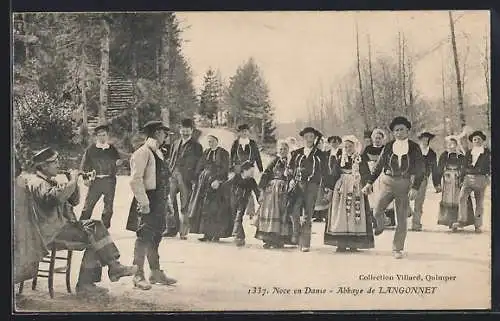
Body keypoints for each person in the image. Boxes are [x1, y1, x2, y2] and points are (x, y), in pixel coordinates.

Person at [23, 147, 137, 296]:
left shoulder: (48, 180)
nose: (58, 164)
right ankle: (92, 280)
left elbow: (74, 201)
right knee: (95, 233)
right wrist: (73, 180)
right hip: (50, 233)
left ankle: (104, 273)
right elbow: (54, 199)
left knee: (96, 233)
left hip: (57, 228)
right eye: (54, 162)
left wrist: (74, 183)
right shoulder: (38, 183)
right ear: (43, 166)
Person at [361, 116, 425, 259]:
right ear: (393, 132)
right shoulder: (389, 146)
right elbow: (378, 166)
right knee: (377, 209)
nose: (399, 132)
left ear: (407, 131)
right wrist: (369, 182)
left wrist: (415, 187)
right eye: (396, 130)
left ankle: (397, 248)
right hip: (387, 182)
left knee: (401, 219)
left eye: (402, 129)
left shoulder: (414, 147)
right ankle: (381, 224)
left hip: (404, 183)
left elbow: (421, 169)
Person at [126, 121, 177, 290]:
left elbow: (163, 180)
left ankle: (155, 272)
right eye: (164, 133)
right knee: (144, 237)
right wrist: (144, 202)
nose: (166, 137)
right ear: (156, 133)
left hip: (159, 199)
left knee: (156, 236)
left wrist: (167, 202)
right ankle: (137, 274)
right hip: (148, 199)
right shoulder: (142, 153)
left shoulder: (159, 153)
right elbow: (135, 180)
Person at [324, 135, 374, 252]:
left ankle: (353, 242)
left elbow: (366, 173)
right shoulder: (340, 158)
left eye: (350, 146)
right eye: (345, 147)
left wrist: (367, 184)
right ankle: (340, 243)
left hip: (356, 187)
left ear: (355, 147)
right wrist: (330, 188)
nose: (348, 149)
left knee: (354, 213)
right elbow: (334, 174)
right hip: (341, 189)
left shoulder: (360, 159)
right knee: (341, 213)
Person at [288, 127, 328, 252]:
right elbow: (290, 168)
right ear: (303, 138)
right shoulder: (297, 153)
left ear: (315, 138)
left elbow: (325, 172)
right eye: (306, 137)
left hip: (312, 186)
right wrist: (292, 177)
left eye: (311, 137)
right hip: (298, 184)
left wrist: (326, 188)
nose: (309, 139)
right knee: (293, 210)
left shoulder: (320, 155)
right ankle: (296, 232)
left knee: (307, 215)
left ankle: (305, 243)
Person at [188, 134, 232, 242]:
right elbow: (200, 166)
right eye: (209, 141)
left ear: (217, 141)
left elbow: (225, 169)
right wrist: (197, 178)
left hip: (217, 183)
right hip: (204, 184)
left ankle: (216, 234)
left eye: (212, 141)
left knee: (216, 209)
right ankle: (206, 234)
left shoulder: (223, 153)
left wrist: (218, 180)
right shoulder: (206, 152)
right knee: (204, 208)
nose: (210, 143)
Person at [79, 123, 123, 229]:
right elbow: (84, 165)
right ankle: (80, 228)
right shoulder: (91, 149)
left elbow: (117, 161)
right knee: (88, 206)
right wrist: (85, 178)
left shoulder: (112, 149)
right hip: (96, 181)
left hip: (109, 181)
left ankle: (104, 229)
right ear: (96, 137)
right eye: (99, 135)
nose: (102, 137)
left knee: (108, 208)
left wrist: (117, 164)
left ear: (107, 136)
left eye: (104, 135)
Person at [166, 118, 203, 239]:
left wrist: (194, 178)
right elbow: (171, 158)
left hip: (186, 178)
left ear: (192, 131)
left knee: (185, 205)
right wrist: (169, 171)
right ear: (179, 130)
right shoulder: (175, 143)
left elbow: (199, 164)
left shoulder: (197, 146)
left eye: (188, 130)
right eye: (183, 130)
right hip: (173, 175)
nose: (185, 132)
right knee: (169, 202)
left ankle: (184, 231)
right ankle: (171, 228)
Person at [254, 140, 292, 249]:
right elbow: (266, 173)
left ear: (288, 150)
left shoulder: (291, 161)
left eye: (285, 149)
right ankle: (268, 239)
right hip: (271, 191)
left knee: (282, 213)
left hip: (284, 190)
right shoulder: (274, 160)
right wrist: (261, 189)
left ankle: (279, 240)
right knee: (269, 213)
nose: (282, 151)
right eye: (280, 149)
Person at [453, 130, 490, 233]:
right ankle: (461, 220)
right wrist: (461, 179)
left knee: (479, 202)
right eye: (474, 139)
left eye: (478, 139)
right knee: (461, 198)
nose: (476, 141)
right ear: (472, 142)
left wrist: (488, 177)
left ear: (482, 141)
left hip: (481, 178)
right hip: (468, 178)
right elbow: (464, 166)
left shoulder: (487, 152)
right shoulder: (469, 152)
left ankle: (478, 225)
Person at [437, 135, 474, 229]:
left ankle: (460, 221)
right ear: (447, 146)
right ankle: (449, 221)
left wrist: (462, 178)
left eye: (453, 144)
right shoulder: (444, 155)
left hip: (458, 180)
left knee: (460, 199)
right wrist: (437, 182)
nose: (451, 146)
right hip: (448, 181)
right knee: (449, 200)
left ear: (456, 145)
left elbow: (465, 168)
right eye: (449, 144)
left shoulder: (461, 156)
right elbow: (439, 169)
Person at [361, 128, 395, 228]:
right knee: (372, 198)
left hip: (383, 176)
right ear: (372, 139)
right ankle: (375, 221)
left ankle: (388, 219)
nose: (377, 140)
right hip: (371, 176)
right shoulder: (367, 150)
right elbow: (362, 164)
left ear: (383, 139)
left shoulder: (386, 149)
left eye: (379, 138)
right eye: (376, 138)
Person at [230, 124, 264, 219]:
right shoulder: (236, 143)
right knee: (238, 188)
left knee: (249, 187)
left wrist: (260, 169)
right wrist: (231, 169)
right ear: (239, 133)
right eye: (242, 131)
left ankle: (251, 211)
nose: (244, 133)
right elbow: (231, 156)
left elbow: (257, 156)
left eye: (246, 131)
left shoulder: (252, 143)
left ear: (248, 132)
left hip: (249, 169)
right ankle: (237, 209)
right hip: (238, 168)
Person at [410, 131, 441, 231]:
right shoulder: (414, 150)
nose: (425, 141)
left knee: (419, 202)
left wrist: (437, 184)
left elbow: (435, 169)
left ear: (429, 140)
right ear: (420, 139)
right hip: (411, 177)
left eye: (427, 139)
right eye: (423, 139)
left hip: (423, 179)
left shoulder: (431, 153)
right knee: (404, 198)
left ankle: (416, 224)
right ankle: (407, 213)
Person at [231, 160, 260, 247]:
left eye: (253, 171)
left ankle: (237, 236)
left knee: (238, 217)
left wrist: (260, 200)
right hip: (234, 200)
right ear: (244, 170)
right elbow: (228, 184)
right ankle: (240, 236)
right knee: (235, 217)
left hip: (243, 201)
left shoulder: (251, 180)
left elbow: (256, 191)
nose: (252, 173)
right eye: (251, 171)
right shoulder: (237, 177)